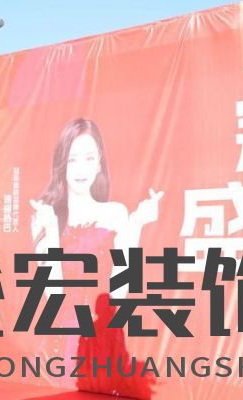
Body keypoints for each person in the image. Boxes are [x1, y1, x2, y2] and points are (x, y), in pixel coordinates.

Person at [29, 118, 163, 391]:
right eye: (73, 159)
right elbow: (54, 296)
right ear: (62, 163)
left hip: (103, 337)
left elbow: (120, 292)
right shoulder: (46, 217)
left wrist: (136, 226)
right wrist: (52, 231)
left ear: (100, 161)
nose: (81, 168)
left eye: (89, 158)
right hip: (63, 342)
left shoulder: (115, 213)